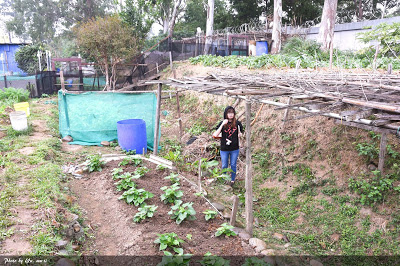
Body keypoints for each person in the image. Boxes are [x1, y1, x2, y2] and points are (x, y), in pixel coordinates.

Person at [213, 106, 243, 186]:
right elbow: (215, 135)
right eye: (229, 113)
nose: (230, 114)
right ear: (226, 114)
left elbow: (241, 133)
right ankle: (224, 179)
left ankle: (232, 180)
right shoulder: (222, 123)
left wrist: (240, 134)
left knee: (233, 164)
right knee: (224, 165)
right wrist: (223, 124)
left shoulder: (237, 123)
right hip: (224, 149)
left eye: (232, 113)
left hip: (234, 149)